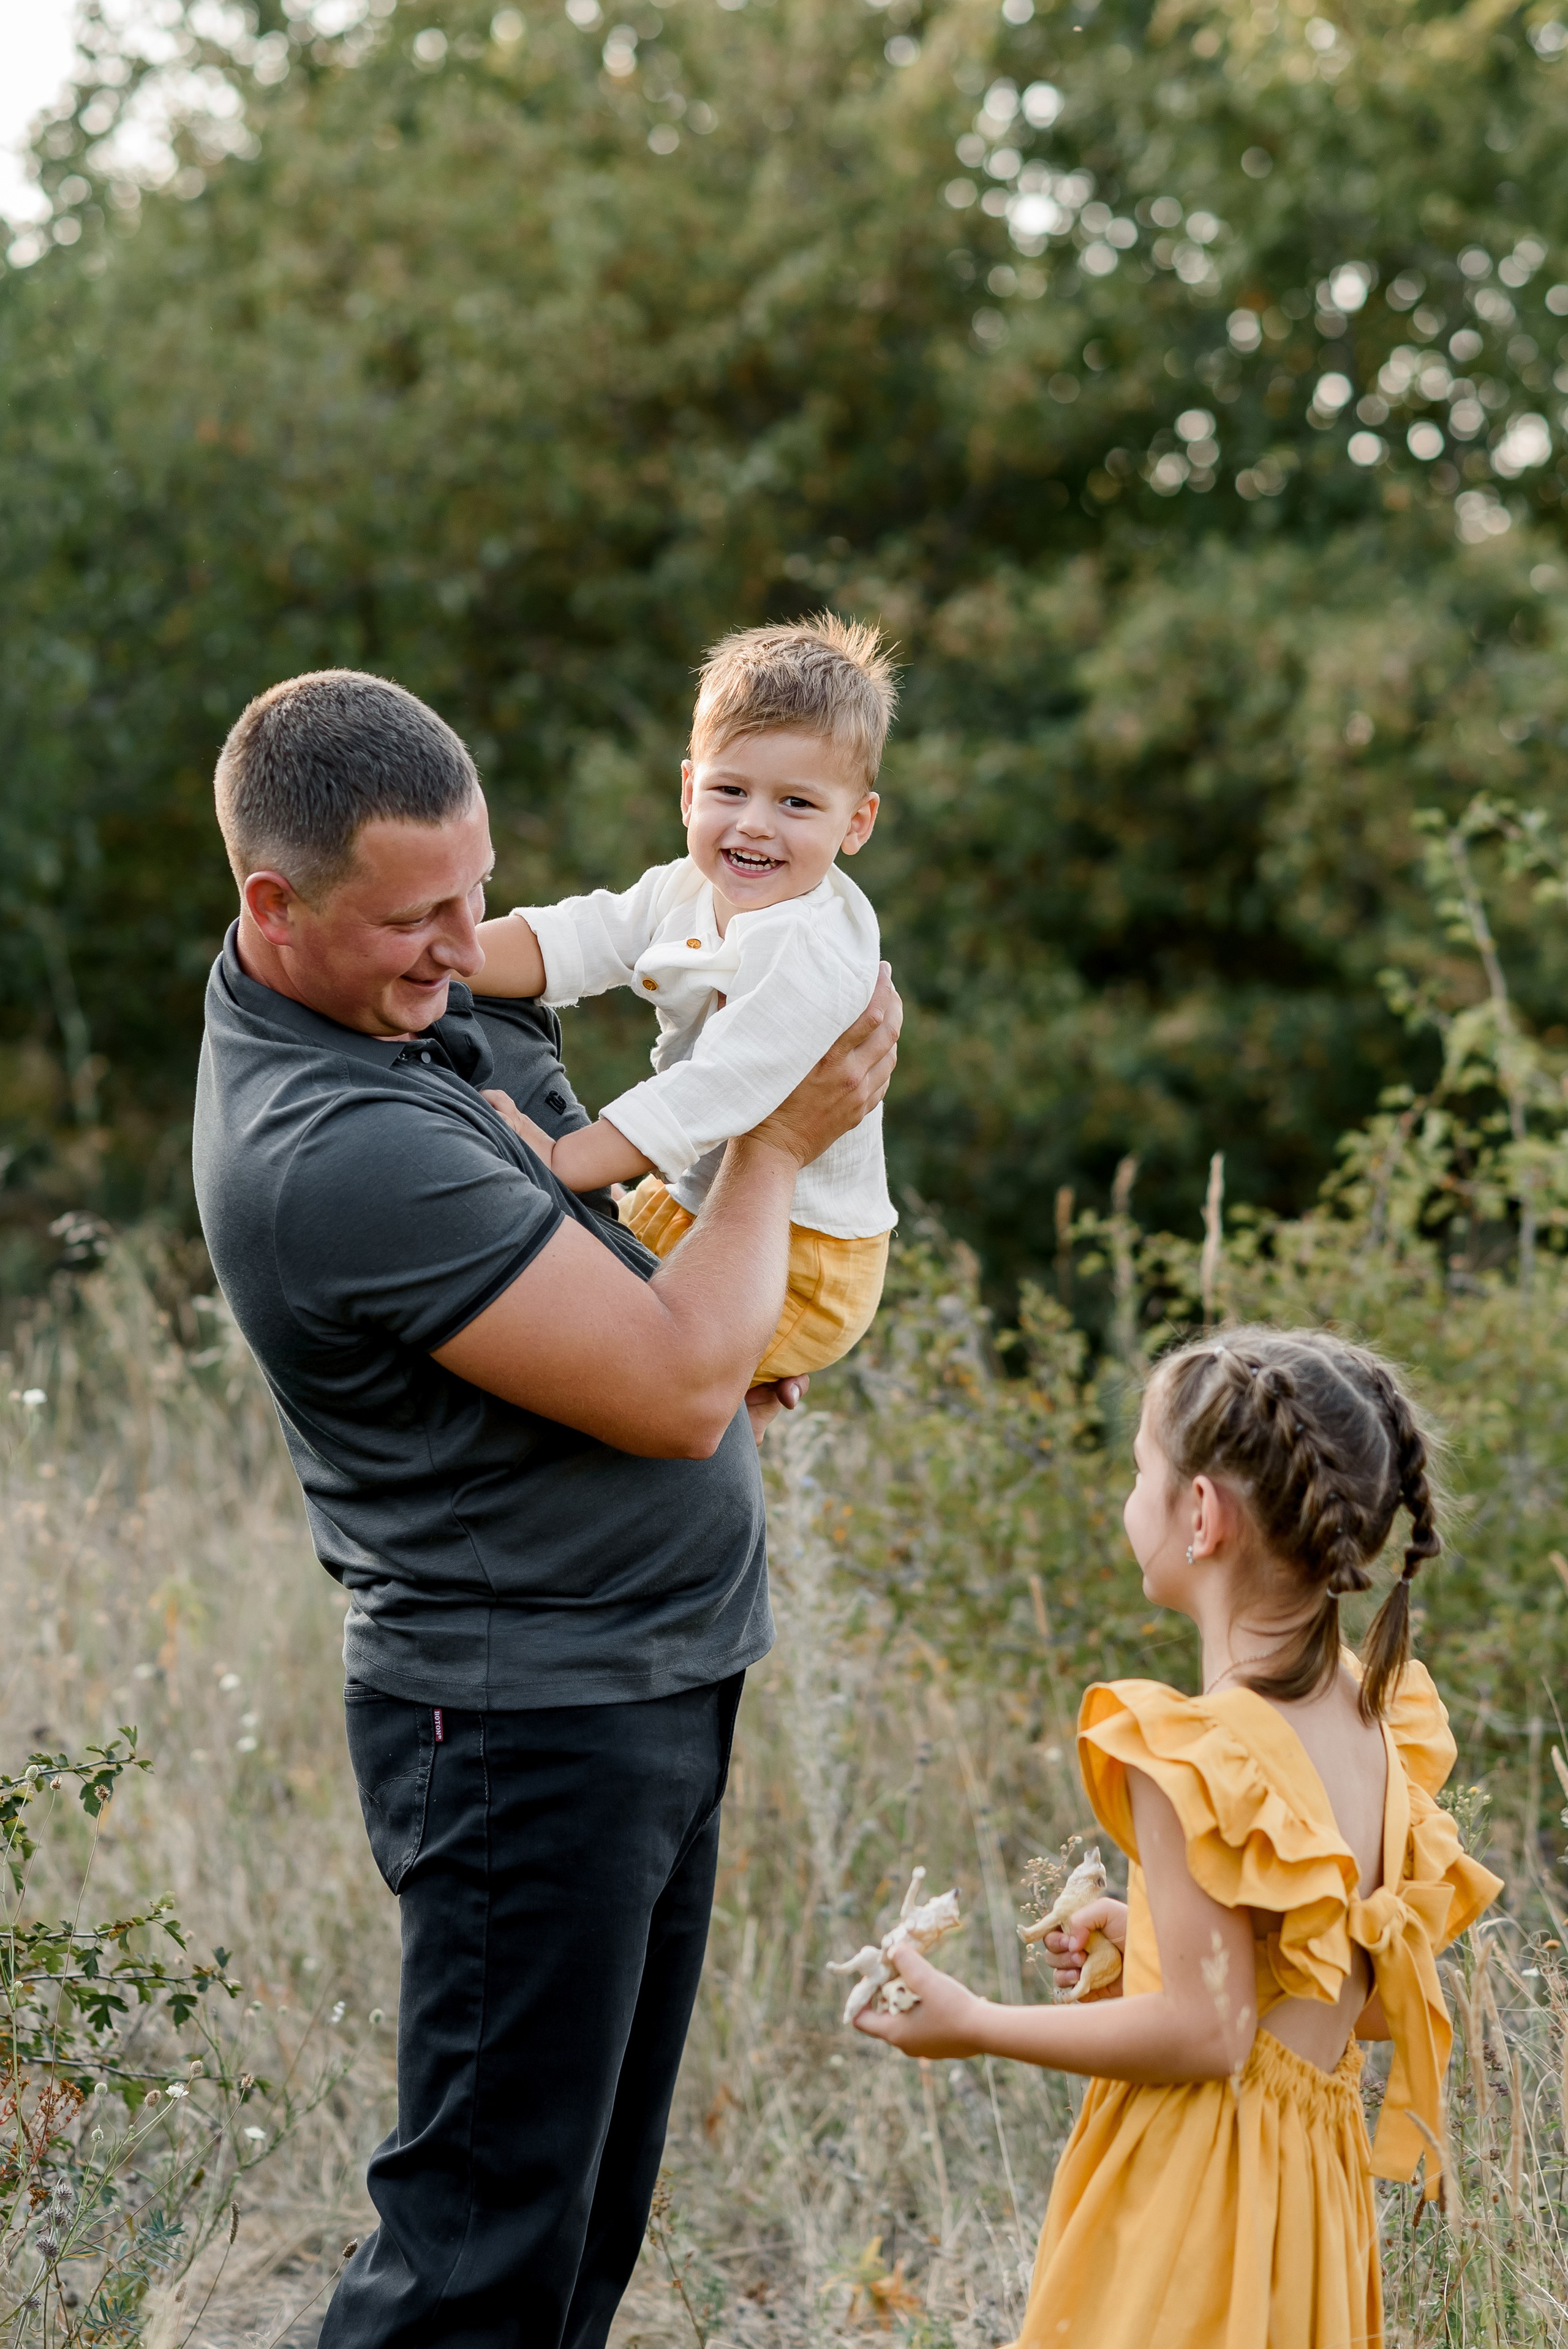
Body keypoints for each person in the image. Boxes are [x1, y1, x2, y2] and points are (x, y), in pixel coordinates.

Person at [190, 667, 900, 2349]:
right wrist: (781, 1157)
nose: (460, 942)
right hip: (530, 1719)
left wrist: (728, 1302)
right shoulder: (333, 1141)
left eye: (476, 894)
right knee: (474, 2260)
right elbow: (666, 1386)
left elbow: (619, 1235)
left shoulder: (421, 1005)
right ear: (273, 907)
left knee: (574, 2230)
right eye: (415, 917)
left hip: (651, 1674)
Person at [853, 1327, 1502, 2349]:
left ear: (1200, 1514)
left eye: (1139, 1470)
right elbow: (1336, 1994)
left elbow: (1208, 2034)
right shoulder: (1377, 1724)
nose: (1130, 1499)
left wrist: (973, 2020)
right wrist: (1149, 1933)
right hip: (1307, 2204)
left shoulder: (1195, 1749)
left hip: (1201, 2191)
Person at [470, 615, 898, 1387]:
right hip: (694, 1196)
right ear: (689, 789)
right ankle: (746, 1405)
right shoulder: (689, 886)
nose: (754, 824)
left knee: (621, 1364)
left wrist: (567, 1157)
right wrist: (451, 953)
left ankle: (736, 1406)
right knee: (564, 1288)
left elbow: (713, 1090)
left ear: (856, 822)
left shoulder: (812, 948)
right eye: (730, 790)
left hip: (806, 1250)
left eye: (797, 804)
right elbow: (582, 935)